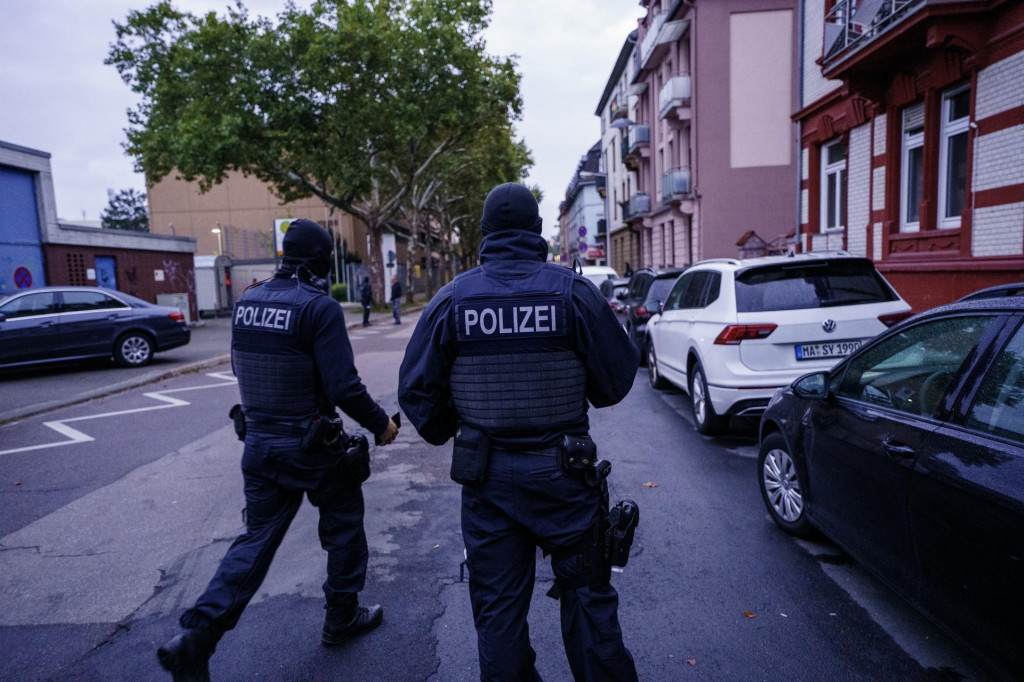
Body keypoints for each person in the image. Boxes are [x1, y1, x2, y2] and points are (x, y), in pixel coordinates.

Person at [398, 183, 640, 682]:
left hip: (488, 483)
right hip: (567, 483)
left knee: (499, 619)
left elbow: (417, 394)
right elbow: (615, 381)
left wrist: (461, 429)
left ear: (485, 235)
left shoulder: (452, 300)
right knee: (591, 609)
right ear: (537, 232)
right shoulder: (573, 293)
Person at [157, 219, 399, 682]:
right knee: (345, 528)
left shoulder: (247, 300)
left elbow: (238, 365)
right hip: (313, 448)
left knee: (254, 544)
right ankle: (341, 619)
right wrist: (380, 424)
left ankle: (196, 638)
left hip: (260, 445)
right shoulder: (319, 307)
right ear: (320, 261)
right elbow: (343, 386)